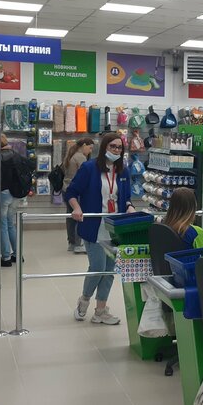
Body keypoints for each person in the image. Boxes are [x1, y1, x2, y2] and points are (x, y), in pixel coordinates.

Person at [65, 132, 134, 326]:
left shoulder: (123, 171)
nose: (116, 150)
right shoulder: (89, 168)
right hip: (94, 226)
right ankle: (84, 300)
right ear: (104, 147)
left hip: (115, 228)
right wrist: (76, 208)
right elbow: (71, 192)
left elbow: (126, 197)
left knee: (110, 270)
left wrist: (129, 206)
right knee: (98, 267)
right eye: (112, 146)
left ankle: (100, 311)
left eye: (119, 147)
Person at [0, 134, 35, 268]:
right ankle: (17, 254)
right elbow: (31, 165)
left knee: (2, 225)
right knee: (11, 224)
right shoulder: (16, 155)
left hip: (3, 193)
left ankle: (5, 258)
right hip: (16, 194)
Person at [62, 138, 94, 254]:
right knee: (79, 217)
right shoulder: (81, 158)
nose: (90, 151)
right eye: (90, 148)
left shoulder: (71, 155)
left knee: (71, 218)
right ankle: (79, 244)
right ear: (84, 145)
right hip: (76, 192)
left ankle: (72, 243)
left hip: (66, 189)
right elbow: (86, 175)